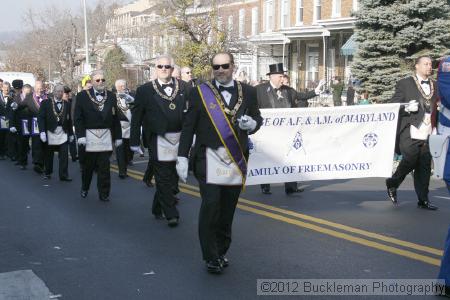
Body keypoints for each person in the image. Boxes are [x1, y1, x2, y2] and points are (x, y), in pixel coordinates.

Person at [176, 52, 263, 274]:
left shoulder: (249, 92)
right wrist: (182, 156)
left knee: (227, 210)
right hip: (208, 158)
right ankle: (210, 256)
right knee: (211, 206)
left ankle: (222, 251)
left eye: (225, 66)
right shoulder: (199, 93)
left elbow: (258, 118)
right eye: (216, 67)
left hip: (235, 158)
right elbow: (189, 126)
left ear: (233, 66)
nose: (220, 70)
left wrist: (252, 124)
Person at [130, 55, 189, 227]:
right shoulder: (145, 90)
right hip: (157, 138)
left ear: (172, 69)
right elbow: (137, 117)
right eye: (160, 66)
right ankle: (171, 213)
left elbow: (192, 114)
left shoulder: (185, 87)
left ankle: (157, 207)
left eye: (167, 66)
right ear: (155, 69)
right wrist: (134, 141)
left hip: (179, 138)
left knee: (172, 176)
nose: (164, 69)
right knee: (162, 176)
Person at [256, 63, 324, 195]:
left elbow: (301, 96)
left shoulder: (288, 90)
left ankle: (291, 186)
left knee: (291, 158)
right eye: (281, 76)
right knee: (267, 159)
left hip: (287, 132)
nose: (283, 79)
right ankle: (265, 185)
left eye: (283, 76)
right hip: (268, 133)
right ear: (273, 76)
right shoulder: (260, 90)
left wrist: (316, 91)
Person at [385, 56, 438, 210]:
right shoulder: (405, 83)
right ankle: (392, 183)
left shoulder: (435, 85)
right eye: (426, 64)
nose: (429, 67)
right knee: (410, 158)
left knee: (425, 165)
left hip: (428, 129)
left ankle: (423, 200)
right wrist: (406, 107)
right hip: (410, 128)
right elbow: (393, 104)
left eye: (430, 64)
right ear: (417, 66)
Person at [74, 70, 122, 202]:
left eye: (103, 80)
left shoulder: (111, 96)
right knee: (88, 167)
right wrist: (81, 135)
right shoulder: (83, 96)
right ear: (92, 82)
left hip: (105, 136)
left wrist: (118, 136)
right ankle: (85, 187)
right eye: (98, 80)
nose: (101, 82)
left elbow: (116, 118)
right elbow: (78, 118)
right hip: (89, 136)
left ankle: (104, 192)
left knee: (104, 167)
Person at [38, 84, 73, 181]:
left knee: (64, 155)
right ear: (54, 92)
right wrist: (42, 132)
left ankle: (64, 175)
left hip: (63, 132)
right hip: (50, 132)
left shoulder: (67, 104)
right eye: (58, 91)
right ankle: (48, 172)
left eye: (61, 91)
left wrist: (71, 133)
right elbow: (41, 118)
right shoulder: (46, 103)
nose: (60, 93)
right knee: (49, 155)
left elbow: (69, 120)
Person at [115, 79, 134, 179]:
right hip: (119, 126)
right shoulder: (113, 98)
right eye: (122, 86)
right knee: (120, 149)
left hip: (130, 126)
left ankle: (127, 161)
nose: (124, 87)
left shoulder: (130, 97)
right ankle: (122, 171)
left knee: (128, 148)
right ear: (117, 87)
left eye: (125, 85)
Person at [0, 82, 10, 160]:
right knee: (1, 137)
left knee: (8, 137)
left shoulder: (12, 97)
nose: (6, 89)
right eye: (5, 87)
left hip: (8, 119)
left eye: (8, 87)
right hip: (0, 119)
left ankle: (7, 152)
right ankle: (1, 153)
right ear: (2, 88)